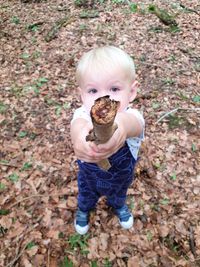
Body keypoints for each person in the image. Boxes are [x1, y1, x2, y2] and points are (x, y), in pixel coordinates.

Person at [70, 46, 144, 235]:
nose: (104, 98)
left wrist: (120, 127)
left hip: (120, 178)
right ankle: (84, 210)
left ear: (132, 91)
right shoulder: (83, 116)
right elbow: (77, 127)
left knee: (118, 195)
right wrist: (79, 140)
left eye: (114, 88)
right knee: (86, 195)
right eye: (93, 90)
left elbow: (133, 125)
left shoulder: (132, 116)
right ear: (81, 95)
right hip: (89, 178)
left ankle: (118, 206)